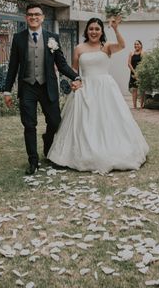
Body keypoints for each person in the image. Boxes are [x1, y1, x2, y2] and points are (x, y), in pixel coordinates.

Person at [47, 17, 149, 174]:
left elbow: (122, 45)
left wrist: (115, 28)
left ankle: (113, 150)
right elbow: (74, 70)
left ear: (101, 32)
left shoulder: (106, 46)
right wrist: (75, 82)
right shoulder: (79, 48)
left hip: (105, 88)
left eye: (97, 29)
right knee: (84, 121)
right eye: (91, 29)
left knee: (108, 120)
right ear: (86, 31)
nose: (93, 31)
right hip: (85, 88)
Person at [3, 3, 81, 175]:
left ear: (42, 17)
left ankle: (48, 144)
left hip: (48, 86)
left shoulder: (52, 37)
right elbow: (13, 66)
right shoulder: (18, 38)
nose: (33, 17)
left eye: (37, 14)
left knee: (54, 122)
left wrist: (75, 76)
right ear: (26, 17)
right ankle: (33, 160)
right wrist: (7, 91)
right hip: (28, 87)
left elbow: (61, 64)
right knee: (29, 125)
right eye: (30, 14)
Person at [127, 40, 145, 109]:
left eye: (137, 44)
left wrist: (139, 73)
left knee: (142, 89)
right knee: (134, 89)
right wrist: (134, 72)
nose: (136, 45)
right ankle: (134, 106)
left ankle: (141, 106)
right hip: (133, 73)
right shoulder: (131, 53)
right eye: (135, 44)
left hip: (141, 73)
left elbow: (144, 64)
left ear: (141, 45)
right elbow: (129, 64)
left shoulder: (143, 53)